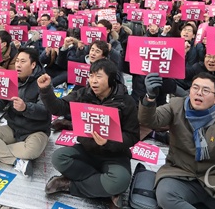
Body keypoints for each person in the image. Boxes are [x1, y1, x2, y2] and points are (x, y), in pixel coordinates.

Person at [139, 72, 215, 209]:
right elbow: (149, 121)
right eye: (195, 88)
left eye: (206, 90)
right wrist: (149, 98)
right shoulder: (176, 106)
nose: (199, 93)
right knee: (166, 196)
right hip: (180, 174)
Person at [38, 59, 139, 208]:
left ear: (111, 79)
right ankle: (101, 187)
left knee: (120, 181)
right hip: (87, 150)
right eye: (91, 76)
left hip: (115, 155)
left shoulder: (126, 102)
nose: (93, 81)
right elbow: (59, 108)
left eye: (99, 77)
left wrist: (108, 142)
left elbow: (133, 136)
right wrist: (46, 90)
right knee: (58, 158)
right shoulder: (83, 94)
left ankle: (69, 185)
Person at [0, 48, 51, 177]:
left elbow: (45, 112)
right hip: (14, 128)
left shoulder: (43, 82)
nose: (18, 65)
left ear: (33, 65)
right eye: (17, 61)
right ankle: (15, 161)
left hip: (36, 131)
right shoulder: (11, 80)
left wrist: (25, 108)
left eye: (23, 61)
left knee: (30, 152)